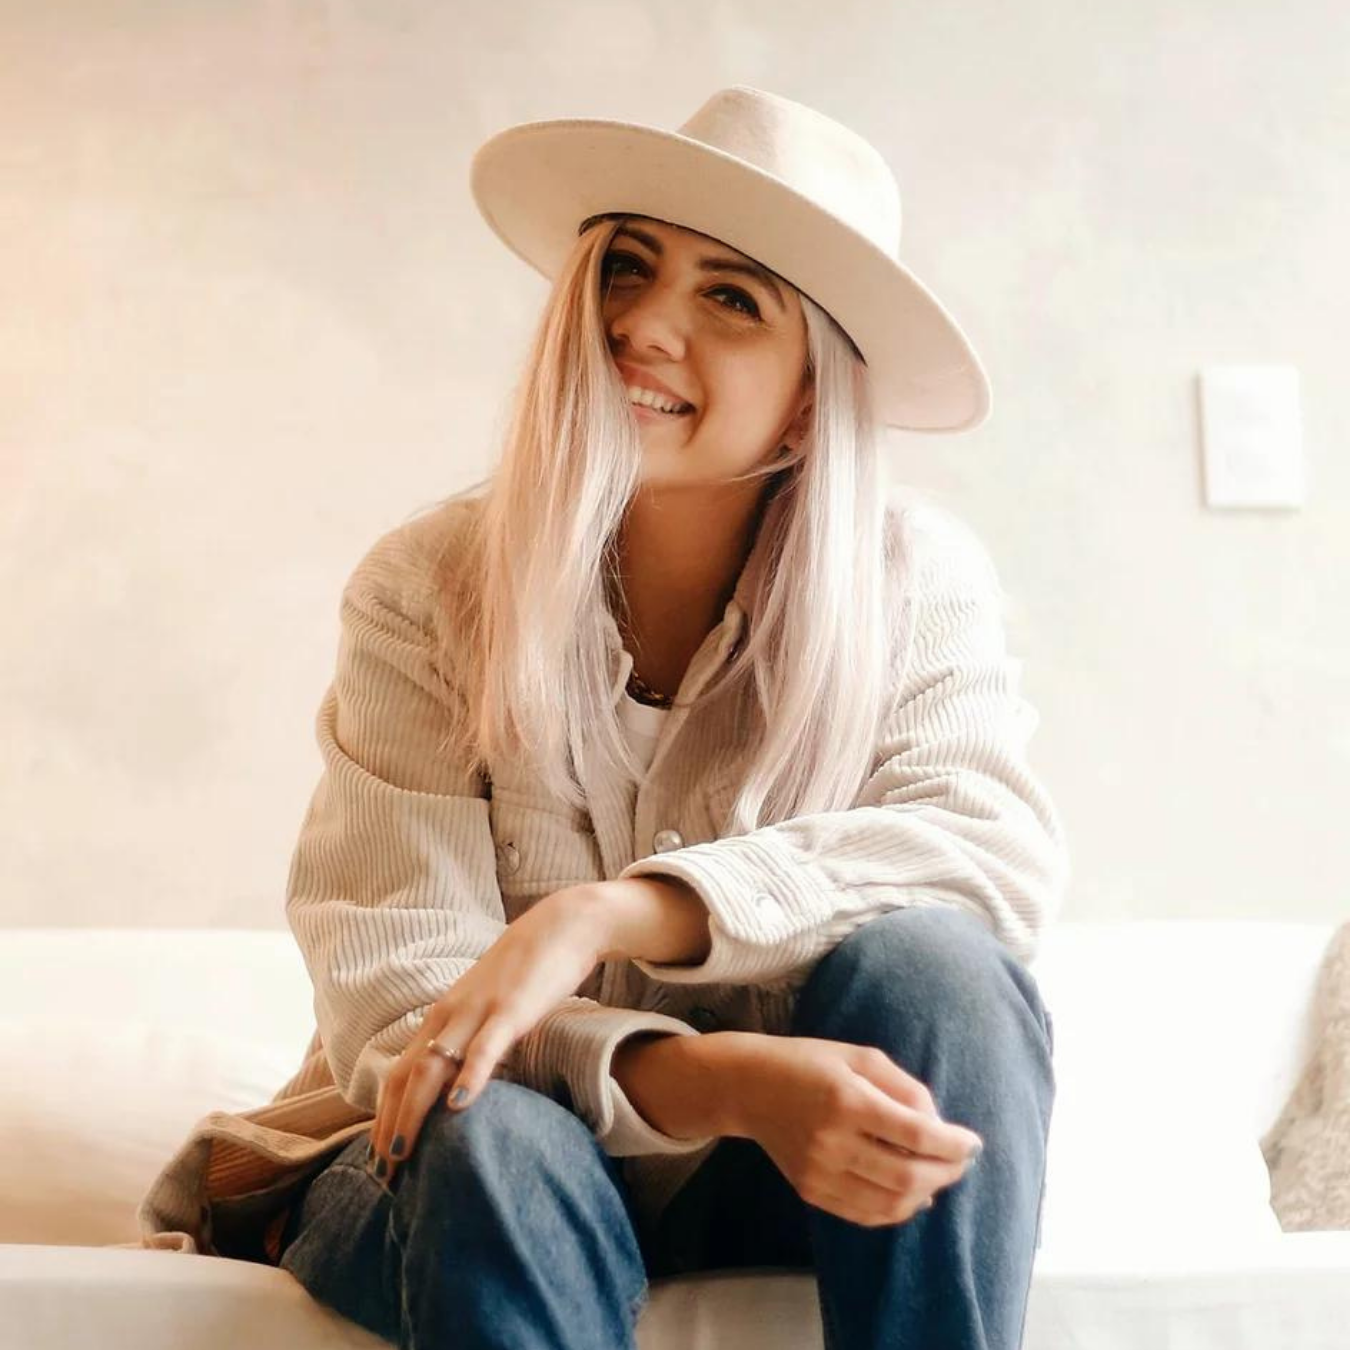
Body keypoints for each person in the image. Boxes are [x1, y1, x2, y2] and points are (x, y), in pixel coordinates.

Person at [142, 86, 1067, 1350]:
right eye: (627, 270)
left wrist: (616, 912)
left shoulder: (916, 580)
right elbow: (403, 994)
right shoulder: (429, 585)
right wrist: (710, 1079)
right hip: (480, 1166)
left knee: (939, 971)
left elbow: (986, 855)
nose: (641, 324)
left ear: (811, 401)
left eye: (731, 298)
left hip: (773, 1186)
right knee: (486, 1129)